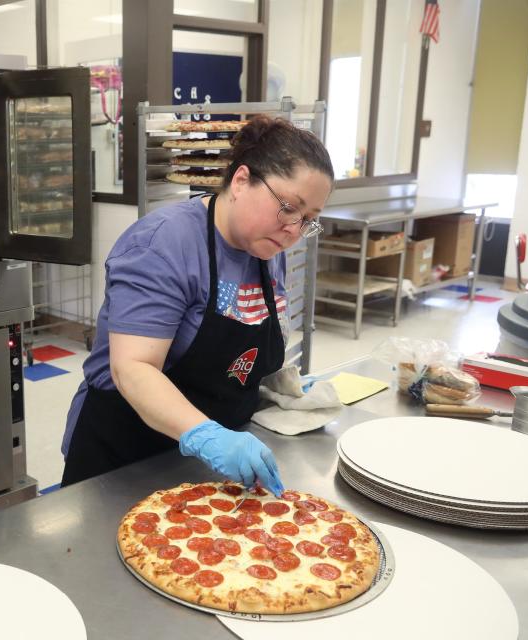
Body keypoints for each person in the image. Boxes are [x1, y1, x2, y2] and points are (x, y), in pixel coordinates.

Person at [60, 115, 334, 493]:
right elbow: (134, 368)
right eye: (288, 207)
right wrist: (208, 437)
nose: (294, 230)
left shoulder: (267, 248)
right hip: (128, 456)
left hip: (215, 464)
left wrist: (281, 385)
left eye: (308, 220)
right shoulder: (163, 245)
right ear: (241, 181)